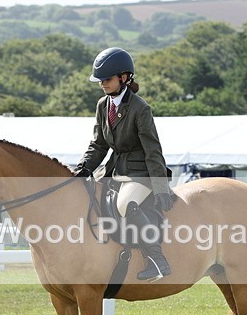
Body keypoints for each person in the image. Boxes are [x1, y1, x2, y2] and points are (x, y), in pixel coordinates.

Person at [73, 47, 173, 282]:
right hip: (113, 170)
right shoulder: (102, 105)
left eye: (106, 79)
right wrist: (83, 167)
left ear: (124, 77)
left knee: (126, 204)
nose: (102, 84)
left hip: (141, 173)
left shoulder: (140, 108)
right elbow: (98, 144)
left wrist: (160, 187)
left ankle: (157, 261)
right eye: (100, 80)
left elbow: (153, 150)